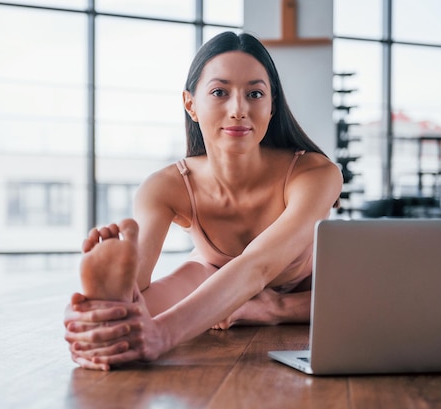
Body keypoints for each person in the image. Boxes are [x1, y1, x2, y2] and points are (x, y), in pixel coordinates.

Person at [64, 31, 343, 371]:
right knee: (156, 299)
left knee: (368, 298)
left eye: (255, 93)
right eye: (219, 92)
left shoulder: (316, 173)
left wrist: (163, 335)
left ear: (272, 106)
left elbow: (258, 265)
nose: (238, 109)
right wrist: (91, 321)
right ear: (191, 104)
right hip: (212, 277)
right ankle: (108, 307)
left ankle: (271, 309)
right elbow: (155, 293)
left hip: (308, 287)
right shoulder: (164, 186)